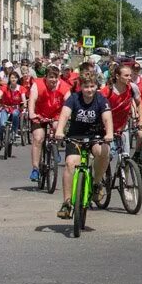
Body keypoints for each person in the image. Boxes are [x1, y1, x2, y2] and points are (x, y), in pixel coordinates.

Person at [54, 69, 114, 219]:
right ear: (81, 87)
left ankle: (96, 183)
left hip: (96, 135)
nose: (89, 90)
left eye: (92, 86)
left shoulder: (101, 99)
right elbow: (65, 114)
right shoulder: (74, 98)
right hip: (76, 136)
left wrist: (109, 133)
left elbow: (107, 118)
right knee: (70, 163)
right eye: (86, 87)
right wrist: (60, 130)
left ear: (96, 86)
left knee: (103, 151)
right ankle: (67, 203)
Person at [28, 63, 69, 183]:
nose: (53, 80)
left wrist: (70, 114)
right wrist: (31, 113)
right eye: (51, 77)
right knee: (38, 138)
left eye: (56, 77)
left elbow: (69, 102)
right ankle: (35, 168)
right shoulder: (38, 85)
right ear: (45, 77)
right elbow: (32, 100)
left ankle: (55, 147)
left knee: (58, 129)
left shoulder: (64, 87)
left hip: (56, 115)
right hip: (39, 115)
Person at [0, 73, 25, 146]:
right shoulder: (5, 87)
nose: (13, 79)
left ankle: (14, 131)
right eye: (12, 78)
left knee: (15, 114)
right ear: (9, 79)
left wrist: (24, 104)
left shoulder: (21, 88)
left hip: (16, 108)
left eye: (15, 78)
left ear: (17, 79)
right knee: (2, 124)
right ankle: (0, 139)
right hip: (6, 108)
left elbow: (23, 98)